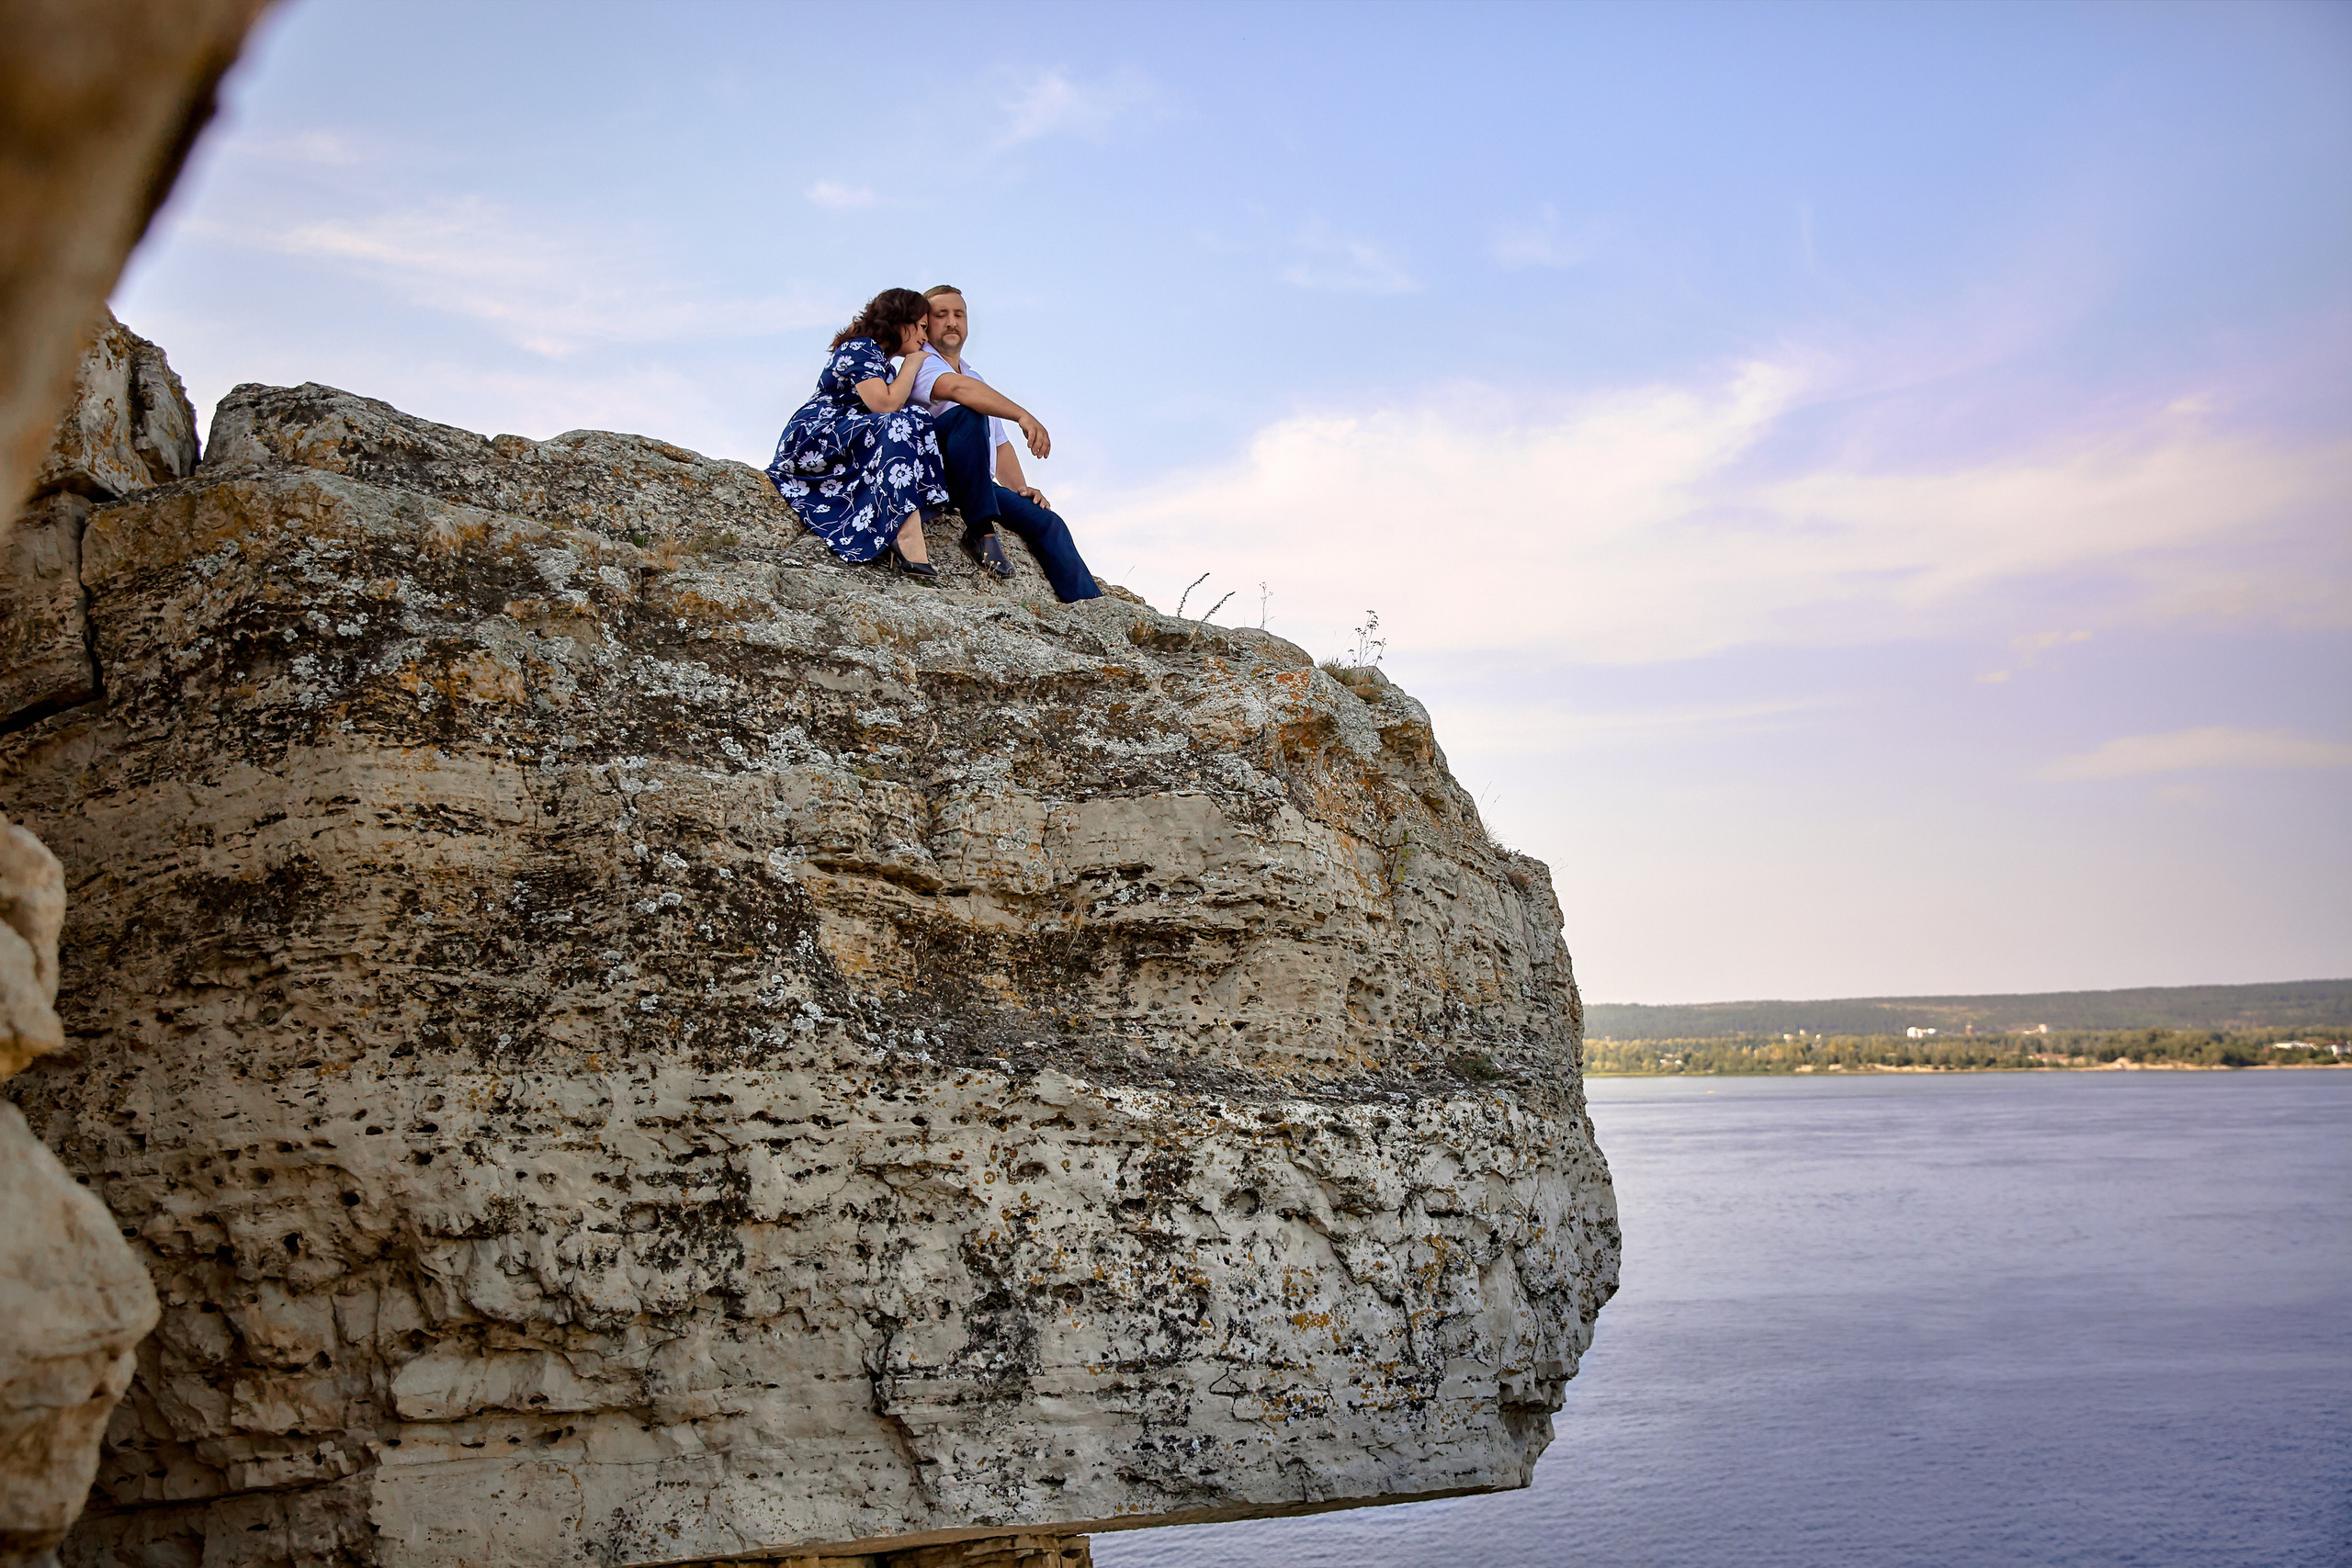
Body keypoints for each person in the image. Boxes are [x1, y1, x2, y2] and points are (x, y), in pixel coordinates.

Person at [909, 285, 1102, 604]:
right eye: (941, 315)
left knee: (1046, 522)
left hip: (979, 484)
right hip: (939, 476)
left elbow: (999, 446)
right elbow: (958, 390)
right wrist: (1022, 415)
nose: (952, 322)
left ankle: (1088, 607)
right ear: (926, 324)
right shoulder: (920, 363)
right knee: (968, 415)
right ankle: (980, 533)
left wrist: (1021, 490)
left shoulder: (976, 378)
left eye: (959, 314)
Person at [765, 288, 949, 582]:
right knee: (899, 422)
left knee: (916, 419)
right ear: (902, 320)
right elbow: (885, 405)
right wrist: (913, 364)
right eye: (923, 326)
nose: (925, 338)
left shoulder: (883, 363)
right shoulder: (859, 347)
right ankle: (905, 533)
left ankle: (896, 520)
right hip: (818, 434)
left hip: (847, 436)